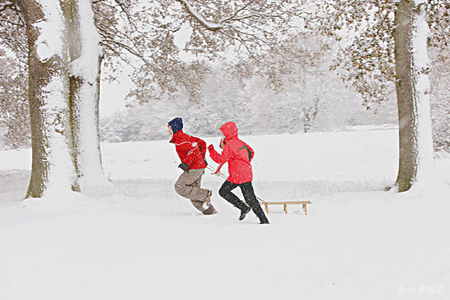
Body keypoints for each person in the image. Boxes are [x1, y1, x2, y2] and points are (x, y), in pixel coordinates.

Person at [208, 121, 269, 224]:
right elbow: (251, 151)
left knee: (223, 192)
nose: (223, 134)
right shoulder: (240, 142)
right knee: (250, 199)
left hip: (237, 175)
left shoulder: (230, 144)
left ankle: (244, 208)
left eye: (224, 132)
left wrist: (211, 151)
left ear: (228, 132)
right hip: (246, 173)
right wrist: (244, 163)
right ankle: (263, 219)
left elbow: (221, 159)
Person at [168, 117, 217, 215]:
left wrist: (186, 163)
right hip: (198, 167)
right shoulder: (185, 137)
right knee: (193, 191)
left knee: (179, 186)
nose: (168, 130)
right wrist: (202, 159)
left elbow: (193, 150)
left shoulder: (181, 139)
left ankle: (205, 194)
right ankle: (208, 210)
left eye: (169, 127)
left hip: (194, 168)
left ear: (175, 128)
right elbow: (202, 143)